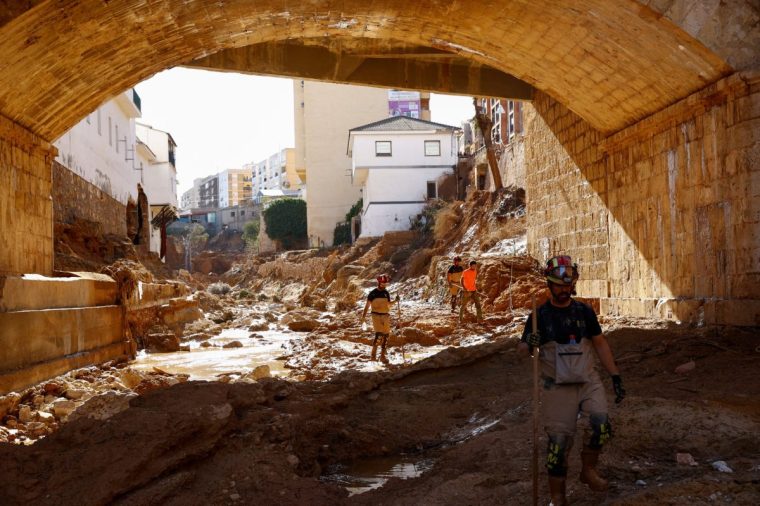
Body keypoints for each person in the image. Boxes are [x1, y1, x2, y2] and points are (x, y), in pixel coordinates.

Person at [518, 255, 626, 506]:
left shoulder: (584, 312)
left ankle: (588, 470)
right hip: (556, 387)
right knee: (558, 445)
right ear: (550, 285)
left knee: (601, 426)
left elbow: (600, 343)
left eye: (568, 285)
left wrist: (615, 376)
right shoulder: (539, 316)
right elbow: (522, 350)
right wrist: (529, 345)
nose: (565, 289)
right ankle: (558, 497)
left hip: (588, 381)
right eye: (559, 285)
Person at [361, 274, 394, 362]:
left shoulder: (386, 293)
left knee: (386, 336)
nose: (385, 285)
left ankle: (382, 357)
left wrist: (396, 301)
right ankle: (373, 356)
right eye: (383, 283)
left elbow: (388, 304)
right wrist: (363, 317)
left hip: (385, 315)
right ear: (379, 283)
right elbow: (367, 306)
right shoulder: (373, 293)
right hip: (376, 315)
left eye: (385, 283)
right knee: (379, 335)